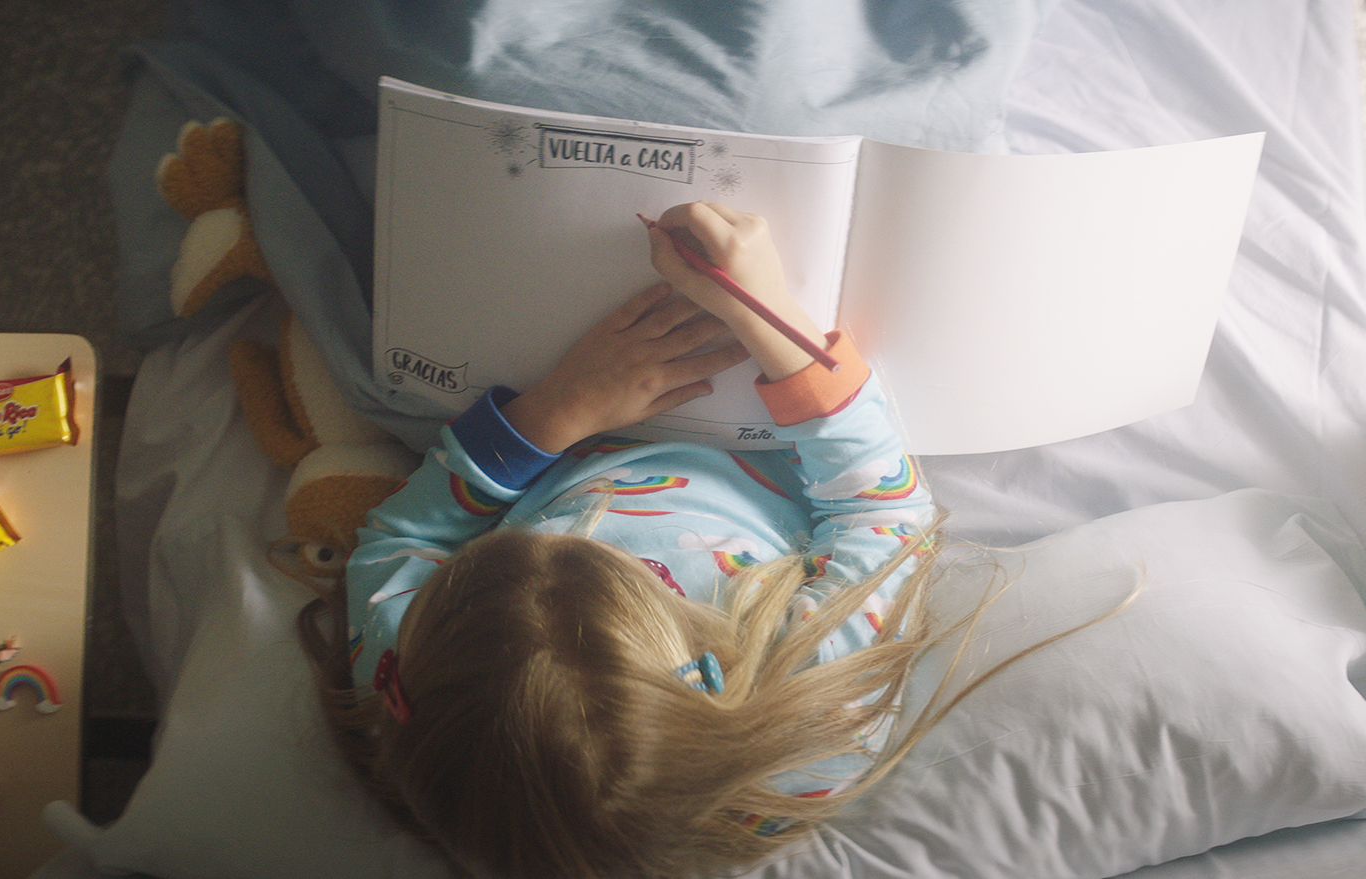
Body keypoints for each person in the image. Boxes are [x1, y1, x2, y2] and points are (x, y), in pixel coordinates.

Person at [298, 201, 943, 879]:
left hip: (574, 406)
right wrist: (767, 315)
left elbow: (396, 538)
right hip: (764, 423)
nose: (584, 527)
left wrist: (557, 409)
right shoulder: (807, 715)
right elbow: (889, 514)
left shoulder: (421, 693)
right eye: (618, 559)